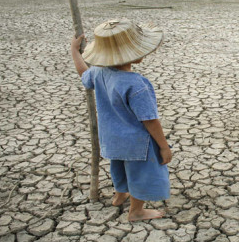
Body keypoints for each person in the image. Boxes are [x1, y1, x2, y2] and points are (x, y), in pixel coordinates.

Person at [70, 19, 171, 221]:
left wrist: (75, 51)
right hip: (136, 144)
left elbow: (84, 74)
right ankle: (136, 211)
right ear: (135, 53)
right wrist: (163, 146)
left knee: (119, 168)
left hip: (111, 138)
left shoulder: (98, 72)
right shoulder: (137, 85)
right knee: (140, 175)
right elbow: (150, 120)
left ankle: (119, 195)